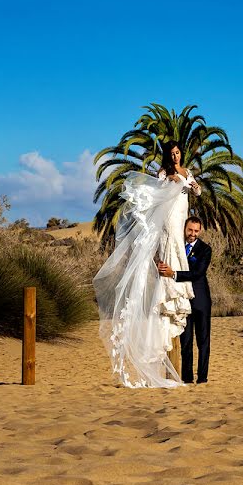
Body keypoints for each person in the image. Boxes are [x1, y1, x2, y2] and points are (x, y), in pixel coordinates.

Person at [92, 142, 201, 388]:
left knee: (178, 242)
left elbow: (198, 193)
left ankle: (178, 283)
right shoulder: (164, 173)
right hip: (170, 216)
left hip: (182, 214)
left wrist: (194, 186)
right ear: (167, 155)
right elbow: (156, 194)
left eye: (177, 152)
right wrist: (169, 183)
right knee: (171, 241)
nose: (175, 155)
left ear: (181, 154)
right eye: (171, 153)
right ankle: (171, 286)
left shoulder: (186, 172)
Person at [156, 216, 212, 383]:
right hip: (183, 302)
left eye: (196, 231)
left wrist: (173, 274)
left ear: (200, 231)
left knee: (203, 341)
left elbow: (197, 273)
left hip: (201, 301)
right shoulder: (177, 248)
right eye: (190, 230)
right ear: (184, 228)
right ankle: (187, 379)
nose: (192, 234)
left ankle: (202, 378)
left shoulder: (205, 249)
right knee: (186, 341)